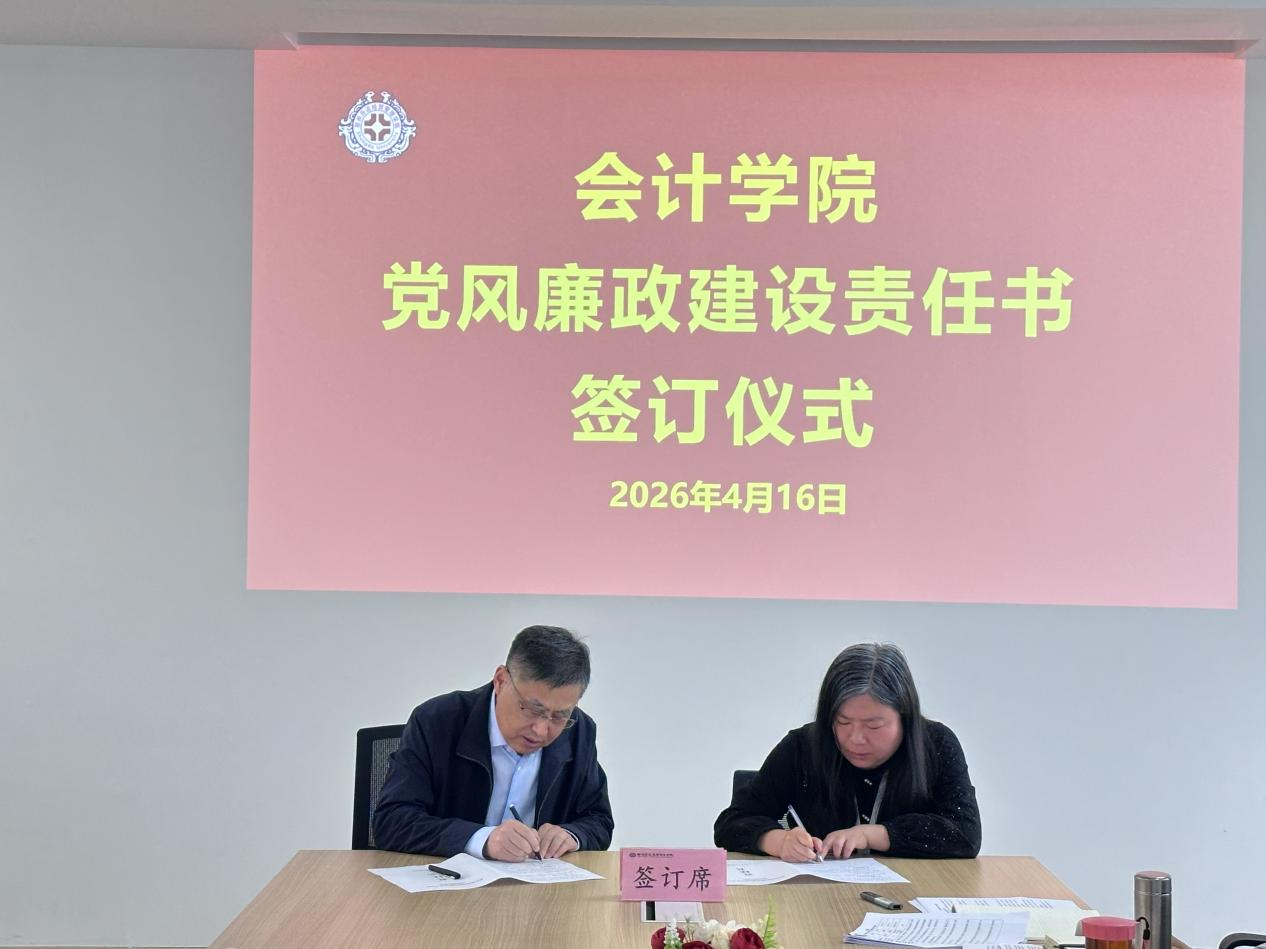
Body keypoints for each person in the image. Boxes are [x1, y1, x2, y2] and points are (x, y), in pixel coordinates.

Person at [714, 642, 980, 860]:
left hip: (913, 895)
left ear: (905, 717)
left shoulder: (935, 744)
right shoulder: (803, 747)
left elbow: (965, 833)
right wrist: (779, 841)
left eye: (873, 725)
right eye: (842, 722)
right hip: (820, 898)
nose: (856, 739)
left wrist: (870, 834)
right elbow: (732, 823)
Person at [373, 625, 614, 860]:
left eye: (560, 716)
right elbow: (392, 821)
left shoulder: (579, 731)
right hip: (446, 879)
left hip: (535, 882)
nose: (541, 730)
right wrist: (482, 840)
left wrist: (572, 835)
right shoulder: (437, 721)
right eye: (532, 709)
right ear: (501, 681)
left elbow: (599, 820)